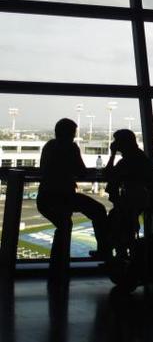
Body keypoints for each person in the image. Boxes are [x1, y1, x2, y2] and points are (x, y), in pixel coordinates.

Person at [36, 118, 111, 277]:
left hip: (46, 197)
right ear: (69, 133)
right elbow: (81, 171)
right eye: (73, 133)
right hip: (64, 196)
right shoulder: (70, 147)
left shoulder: (49, 146)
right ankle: (104, 250)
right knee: (98, 210)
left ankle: (58, 266)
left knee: (64, 226)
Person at [105, 129, 153, 257]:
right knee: (121, 217)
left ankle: (119, 251)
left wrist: (112, 154)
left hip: (136, 201)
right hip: (140, 200)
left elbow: (108, 174)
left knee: (117, 217)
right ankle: (122, 249)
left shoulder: (130, 160)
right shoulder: (137, 157)